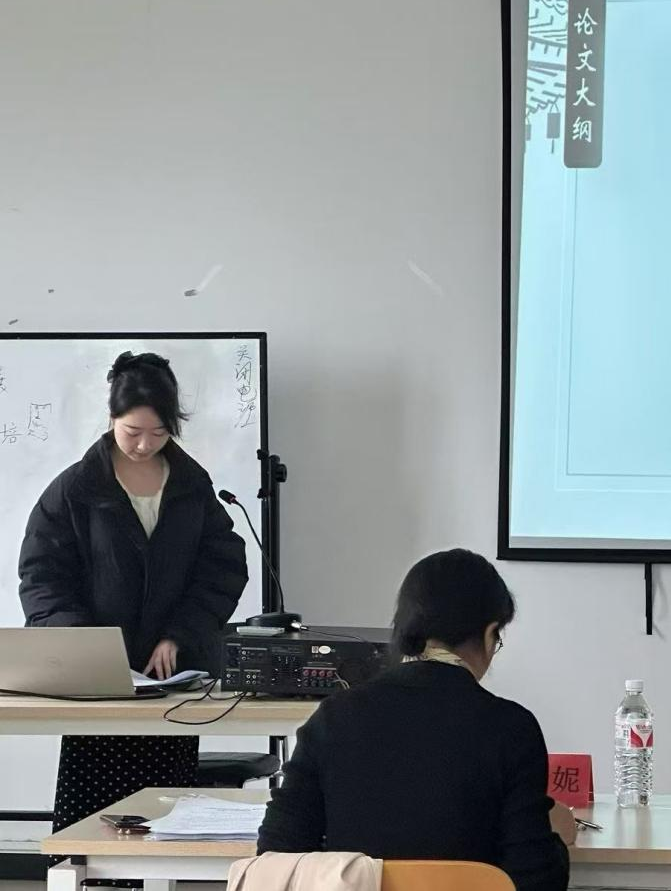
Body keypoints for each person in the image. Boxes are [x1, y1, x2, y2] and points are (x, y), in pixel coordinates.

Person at [18, 351, 248, 840]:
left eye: (158, 433)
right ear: (111, 418)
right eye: (132, 432)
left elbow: (222, 569)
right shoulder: (76, 489)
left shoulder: (191, 485)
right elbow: (43, 578)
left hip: (171, 679)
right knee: (91, 827)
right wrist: (88, 647)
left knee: (165, 823)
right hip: (98, 684)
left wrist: (180, 634)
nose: (144, 445)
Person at [257, 549, 570, 891]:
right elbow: (535, 880)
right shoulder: (512, 728)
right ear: (489, 633)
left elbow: (277, 855)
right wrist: (555, 837)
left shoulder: (334, 718)